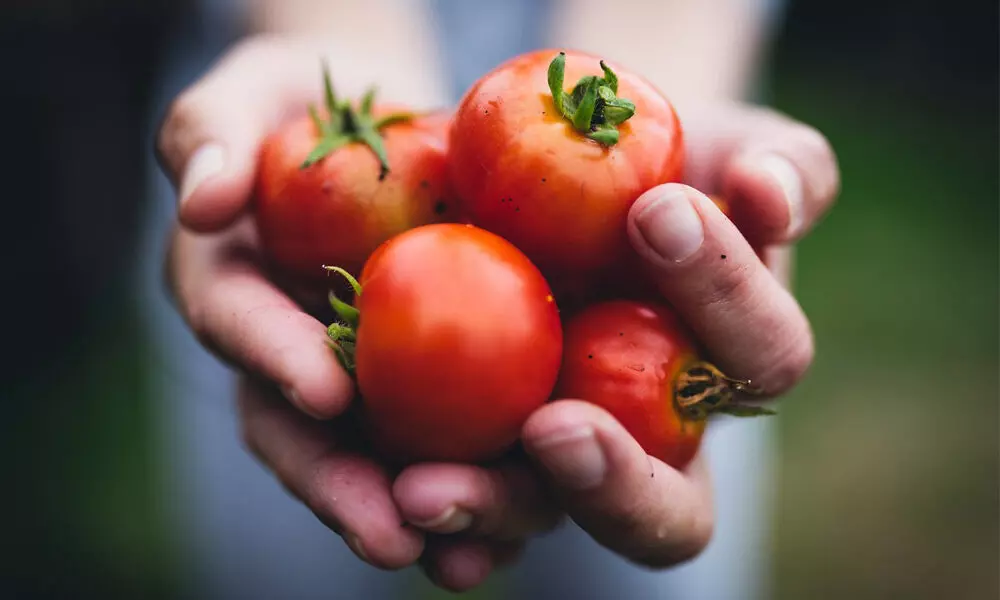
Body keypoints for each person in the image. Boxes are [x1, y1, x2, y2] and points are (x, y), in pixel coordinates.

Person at [145, 0, 839, 597]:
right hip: (284, 43)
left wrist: (665, 62)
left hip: (636, 45)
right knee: (277, 570)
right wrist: (333, 34)